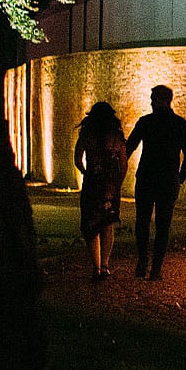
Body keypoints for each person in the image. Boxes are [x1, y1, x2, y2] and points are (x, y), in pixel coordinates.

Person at [124, 84, 186, 280]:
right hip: (168, 179)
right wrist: (181, 176)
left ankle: (142, 262)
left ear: (160, 100)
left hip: (147, 176)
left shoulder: (146, 122)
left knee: (142, 221)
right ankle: (156, 268)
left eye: (152, 98)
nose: (150, 101)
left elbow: (128, 148)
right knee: (163, 225)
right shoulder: (181, 124)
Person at [73, 102, 127, 281]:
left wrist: (85, 171)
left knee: (92, 224)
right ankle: (105, 265)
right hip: (111, 186)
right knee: (107, 223)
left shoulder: (87, 135)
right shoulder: (116, 136)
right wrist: (118, 181)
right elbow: (124, 163)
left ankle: (95, 267)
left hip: (92, 184)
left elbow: (77, 158)